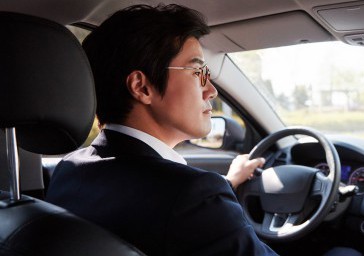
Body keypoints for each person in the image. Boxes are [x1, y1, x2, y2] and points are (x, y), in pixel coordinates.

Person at [46, 4, 277, 255]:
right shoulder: (194, 197)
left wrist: (228, 184)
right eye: (197, 71)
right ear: (142, 87)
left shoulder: (70, 170)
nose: (211, 90)